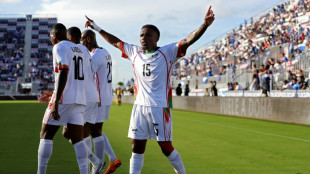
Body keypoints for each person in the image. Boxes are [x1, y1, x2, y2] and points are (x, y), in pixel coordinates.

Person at [85, 5, 214, 174]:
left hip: (159, 107)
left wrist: (204, 25)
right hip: (139, 107)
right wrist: (96, 27)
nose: (143, 38)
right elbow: (115, 41)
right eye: (141, 35)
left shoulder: (168, 52)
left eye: (148, 35)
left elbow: (188, 39)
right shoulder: (134, 52)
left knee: (166, 147)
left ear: (156, 38)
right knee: (136, 147)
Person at [37, 23, 104, 174]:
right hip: (80, 99)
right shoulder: (82, 49)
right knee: (77, 138)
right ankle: (89, 168)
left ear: (55, 36)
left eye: (51, 37)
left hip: (64, 98)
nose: (51, 40)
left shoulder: (59, 47)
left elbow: (64, 71)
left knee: (46, 134)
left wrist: (56, 100)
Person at [81, 29, 121, 174]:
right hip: (105, 96)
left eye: (82, 40)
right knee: (95, 130)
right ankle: (112, 159)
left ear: (88, 39)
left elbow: (87, 77)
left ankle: (98, 166)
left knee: (94, 130)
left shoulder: (95, 55)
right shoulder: (105, 52)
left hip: (98, 98)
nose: (81, 43)